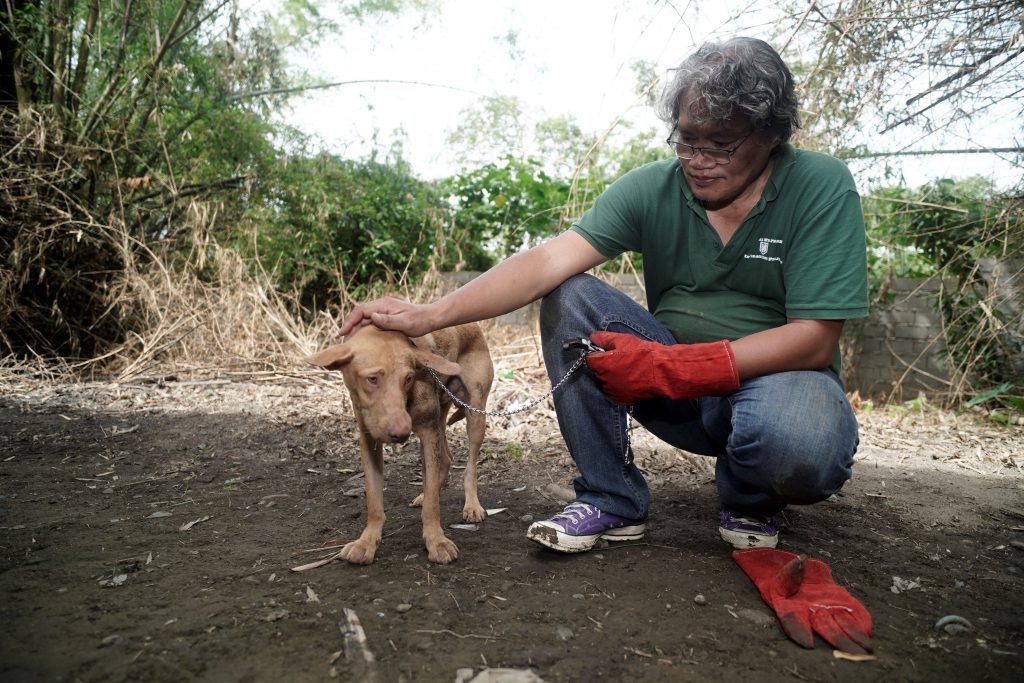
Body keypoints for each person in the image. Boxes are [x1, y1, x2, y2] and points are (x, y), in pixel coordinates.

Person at [337, 37, 868, 553]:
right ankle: (611, 495)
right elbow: (547, 262)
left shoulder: (819, 186)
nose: (698, 158)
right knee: (567, 296)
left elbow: (815, 339)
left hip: (774, 385)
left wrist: (673, 367)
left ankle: (750, 496)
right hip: (673, 395)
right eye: (686, 139)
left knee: (802, 443)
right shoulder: (653, 188)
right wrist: (430, 314)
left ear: (770, 132)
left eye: (721, 144)